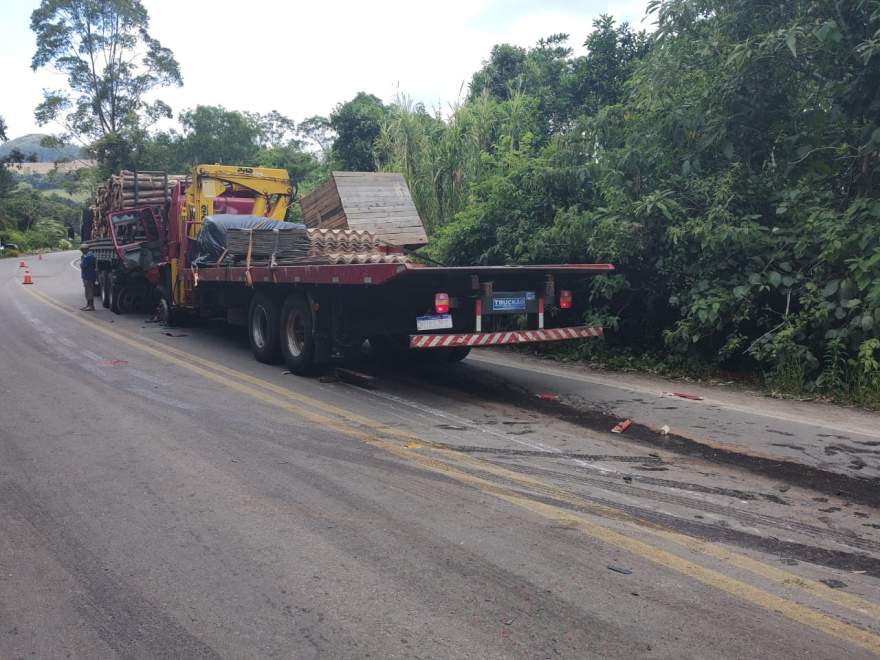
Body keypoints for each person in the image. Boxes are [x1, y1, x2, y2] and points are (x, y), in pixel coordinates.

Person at [79, 243, 97, 311]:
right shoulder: (87, 256)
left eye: (82, 250)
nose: (82, 251)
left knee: (89, 291)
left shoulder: (88, 256)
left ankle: (91, 306)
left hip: (88, 276)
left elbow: (83, 266)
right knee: (87, 291)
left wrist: (82, 263)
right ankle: (88, 305)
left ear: (85, 249)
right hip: (87, 275)